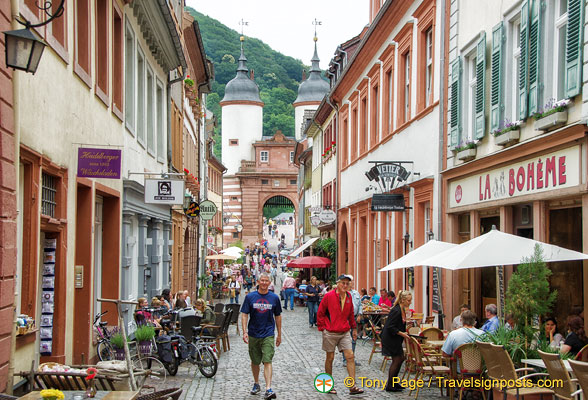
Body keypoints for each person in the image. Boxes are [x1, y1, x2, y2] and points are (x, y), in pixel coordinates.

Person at [316, 274, 364, 396]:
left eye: (347, 283)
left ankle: (352, 386)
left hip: (344, 332)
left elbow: (350, 315)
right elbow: (320, 312)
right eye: (343, 283)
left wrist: (354, 328)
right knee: (330, 358)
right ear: (338, 283)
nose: (345, 285)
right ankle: (328, 385)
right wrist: (323, 328)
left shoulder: (348, 297)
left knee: (350, 356)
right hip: (330, 332)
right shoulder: (328, 296)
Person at [241, 273, 282, 400]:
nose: (264, 283)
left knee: (267, 360)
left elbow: (278, 316)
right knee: (255, 361)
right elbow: (244, 314)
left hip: (268, 333)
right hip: (253, 333)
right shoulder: (250, 297)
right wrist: (244, 331)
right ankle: (256, 383)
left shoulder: (274, 298)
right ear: (258, 281)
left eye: (266, 281)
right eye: (262, 280)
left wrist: (279, 334)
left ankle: (268, 388)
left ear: (269, 283)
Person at [381, 290, 412, 392]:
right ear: (402, 300)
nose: (410, 302)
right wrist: (402, 333)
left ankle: (394, 382)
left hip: (395, 338)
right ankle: (390, 385)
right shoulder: (396, 310)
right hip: (390, 338)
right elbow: (391, 326)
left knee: (400, 358)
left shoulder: (402, 309)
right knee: (397, 359)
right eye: (408, 300)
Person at [342, 276, 362, 367]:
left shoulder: (356, 293)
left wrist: (360, 314)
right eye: (350, 282)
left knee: (354, 339)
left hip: (354, 318)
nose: (351, 284)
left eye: (352, 282)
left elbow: (360, 305)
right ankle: (345, 359)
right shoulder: (344, 293)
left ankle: (352, 358)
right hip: (346, 318)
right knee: (345, 339)